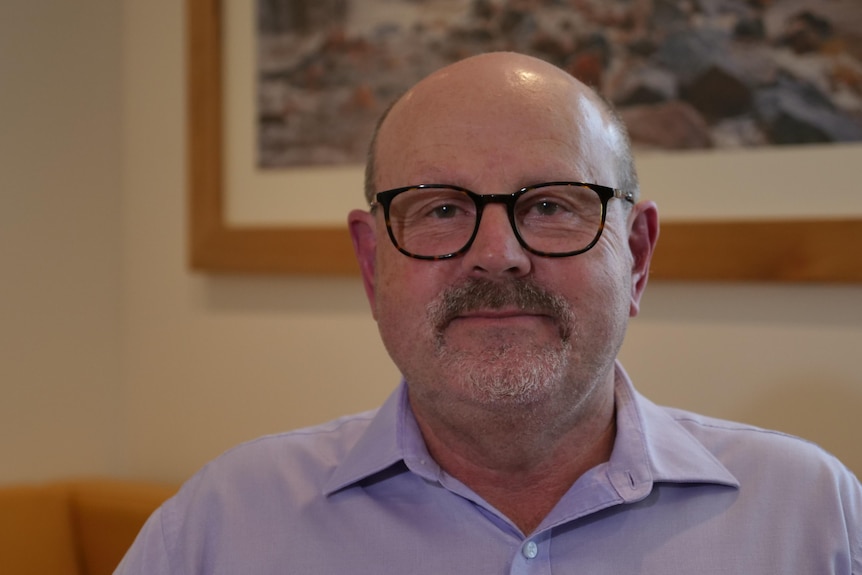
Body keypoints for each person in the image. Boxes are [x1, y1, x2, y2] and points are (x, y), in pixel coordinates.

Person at [116, 52, 861, 574]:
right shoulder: (219, 529)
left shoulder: (816, 519)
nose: (499, 254)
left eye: (551, 205)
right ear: (373, 264)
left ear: (636, 252)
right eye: (441, 209)